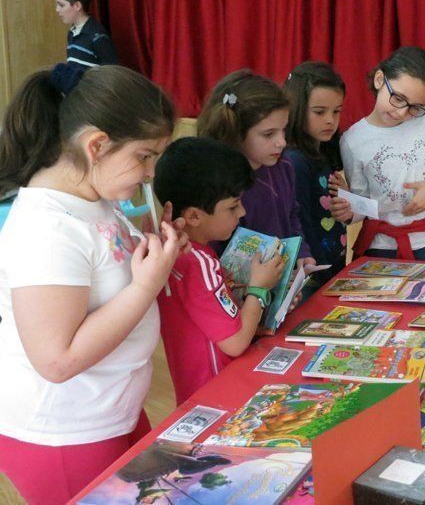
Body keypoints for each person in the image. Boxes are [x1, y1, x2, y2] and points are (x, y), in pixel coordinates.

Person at [0, 65, 186, 503]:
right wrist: (145, 286)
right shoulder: (45, 229)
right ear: (97, 145)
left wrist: (149, 245)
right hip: (63, 432)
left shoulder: (93, 199)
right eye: (144, 156)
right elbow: (57, 361)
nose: (149, 173)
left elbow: (106, 275)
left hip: (110, 411)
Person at [153, 137, 285, 405]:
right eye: (233, 206)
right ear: (193, 216)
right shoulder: (197, 260)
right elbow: (235, 342)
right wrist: (259, 289)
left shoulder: (169, 250)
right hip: (224, 392)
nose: (242, 212)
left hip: (196, 393)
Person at [330, 46, 425, 263]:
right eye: (398, 98)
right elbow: (364, 203)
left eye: (415, 107)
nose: (403, 112)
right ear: (379, 80)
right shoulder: (352, 140)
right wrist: (349, 211)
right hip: (380, 246)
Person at [197, 69, 315, 271]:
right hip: (240, 290)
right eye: (268, 134)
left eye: (283, 130)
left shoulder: (284, 167)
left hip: (277, 282)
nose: (282, 142)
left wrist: (302, 253)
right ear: (235, 132)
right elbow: (212, 249)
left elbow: (291, 216)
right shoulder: (220, 184)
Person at [283, 61, 348, 296]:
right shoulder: (295, 161)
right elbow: (301, 222)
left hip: (332, 269)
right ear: (297, 108)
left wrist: (347, 200)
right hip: (313, 276)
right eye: (320, 112)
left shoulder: (325, 151)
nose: (330, 120)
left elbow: (333, 210)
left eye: (337, 111)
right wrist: (320, 274)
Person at [51, 0, 119, 68]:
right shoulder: (72, 33)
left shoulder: (97, 36)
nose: (57, 10)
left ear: (77, 6)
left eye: (61, 5)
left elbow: (113, 72)